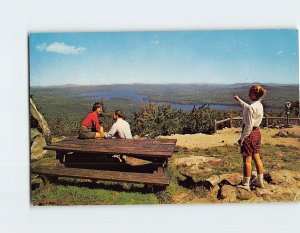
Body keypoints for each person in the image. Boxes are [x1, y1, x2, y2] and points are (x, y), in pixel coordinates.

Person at [233, 84, 267, 190]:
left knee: (247, 160)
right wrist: (238, 100)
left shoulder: (251, 108)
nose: (248, 94)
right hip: (257, 133)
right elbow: (247, 107)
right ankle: (260, 182)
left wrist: (242, 138)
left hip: (249, 134)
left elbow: (248, 126)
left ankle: (245, 184)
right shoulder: (259, 105)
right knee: (256, 157)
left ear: (253, 95)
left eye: (249, 92)